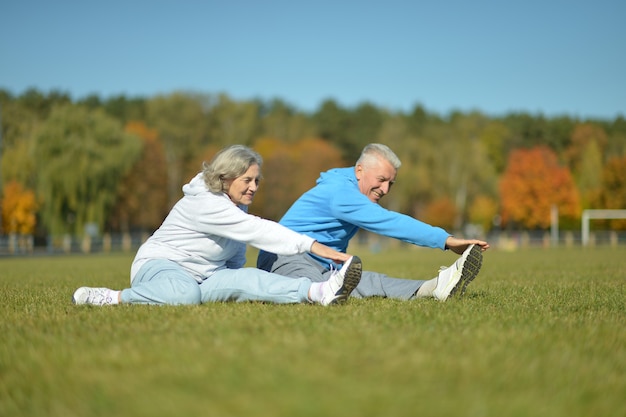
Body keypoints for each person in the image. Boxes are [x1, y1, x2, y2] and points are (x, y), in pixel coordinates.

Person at [72, 145, 362, 307]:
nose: (253, 187)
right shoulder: (207, 203)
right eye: (247, 180)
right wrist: (316, 247)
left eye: (257, 181)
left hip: (205, 277)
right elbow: (259, 230)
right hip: (159, 266)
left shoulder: (237, 207)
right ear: (225, 177)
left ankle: (320, 292)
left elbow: (235, 253)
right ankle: (112, 297)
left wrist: (238, 282)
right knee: (185, 294)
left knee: (247, 278)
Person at [257, 143, 490, 302]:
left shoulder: (347, 187)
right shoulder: (341, 193)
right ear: (360, 170)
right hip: (285, 259)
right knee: (330, 288)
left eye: (391, 183)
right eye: (381, 180)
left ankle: (432, 287)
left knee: (362, 281)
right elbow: (390, 222)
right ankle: (433, 287)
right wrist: (447, 241)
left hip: (321, 263)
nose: (385, 189)